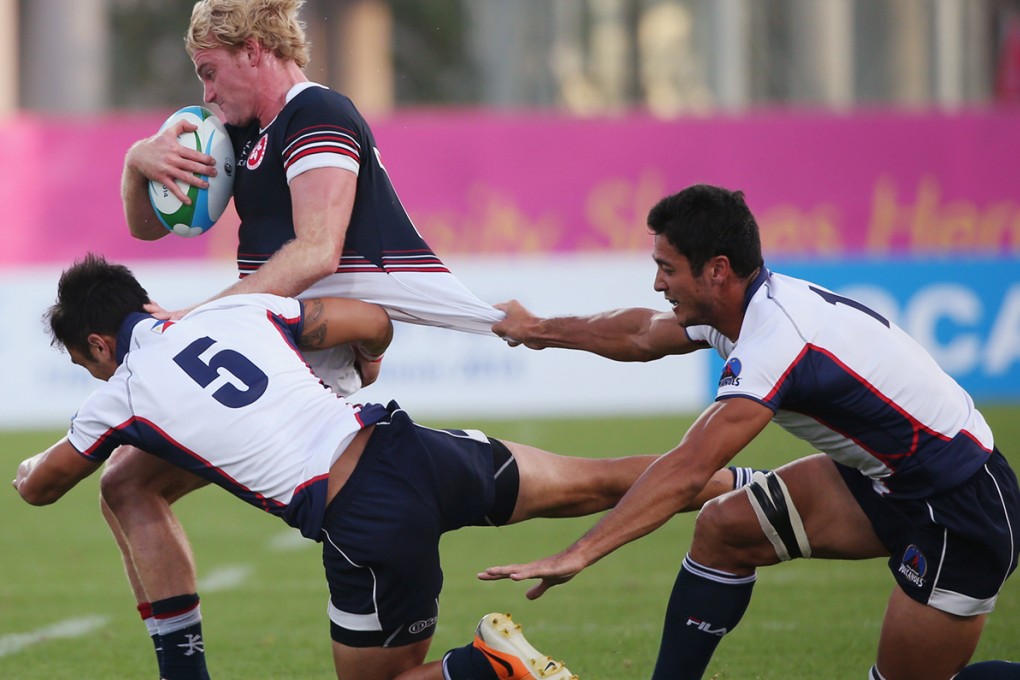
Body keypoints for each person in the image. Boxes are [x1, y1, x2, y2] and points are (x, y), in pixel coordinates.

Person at [14, 254, 739, 680]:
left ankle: (487, 668)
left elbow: (44, 489)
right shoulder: (234, 313)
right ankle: (742, 484)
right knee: (598, 478)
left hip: (363, 516)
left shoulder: (123, 392)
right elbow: (371, 322)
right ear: (149, 301)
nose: (93, 377)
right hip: (411, 446)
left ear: (102, 347)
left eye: (86, 365)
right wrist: (360, 365)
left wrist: (29, 467)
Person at [480, 184, 1020, 680]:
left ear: (716, 269)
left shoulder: (774, 342)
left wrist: (579, 552)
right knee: (726, 529)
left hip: (958, 507)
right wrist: (536, 329)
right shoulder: (741, 308)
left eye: (667, 268)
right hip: (882, 480)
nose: (657, 282)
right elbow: (642, 332)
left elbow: (688, 468)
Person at [112, 0, 504, 676]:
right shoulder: (239, 133)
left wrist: (201, 321)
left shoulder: (314, 113)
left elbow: (318, 249)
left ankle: (478, 667)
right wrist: (136, 161)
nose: (202, 94)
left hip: (297, 363)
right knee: (128, 485)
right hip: (281, 352)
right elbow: (148, 227)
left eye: (209, 72)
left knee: (134, 484)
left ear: (254, 50)